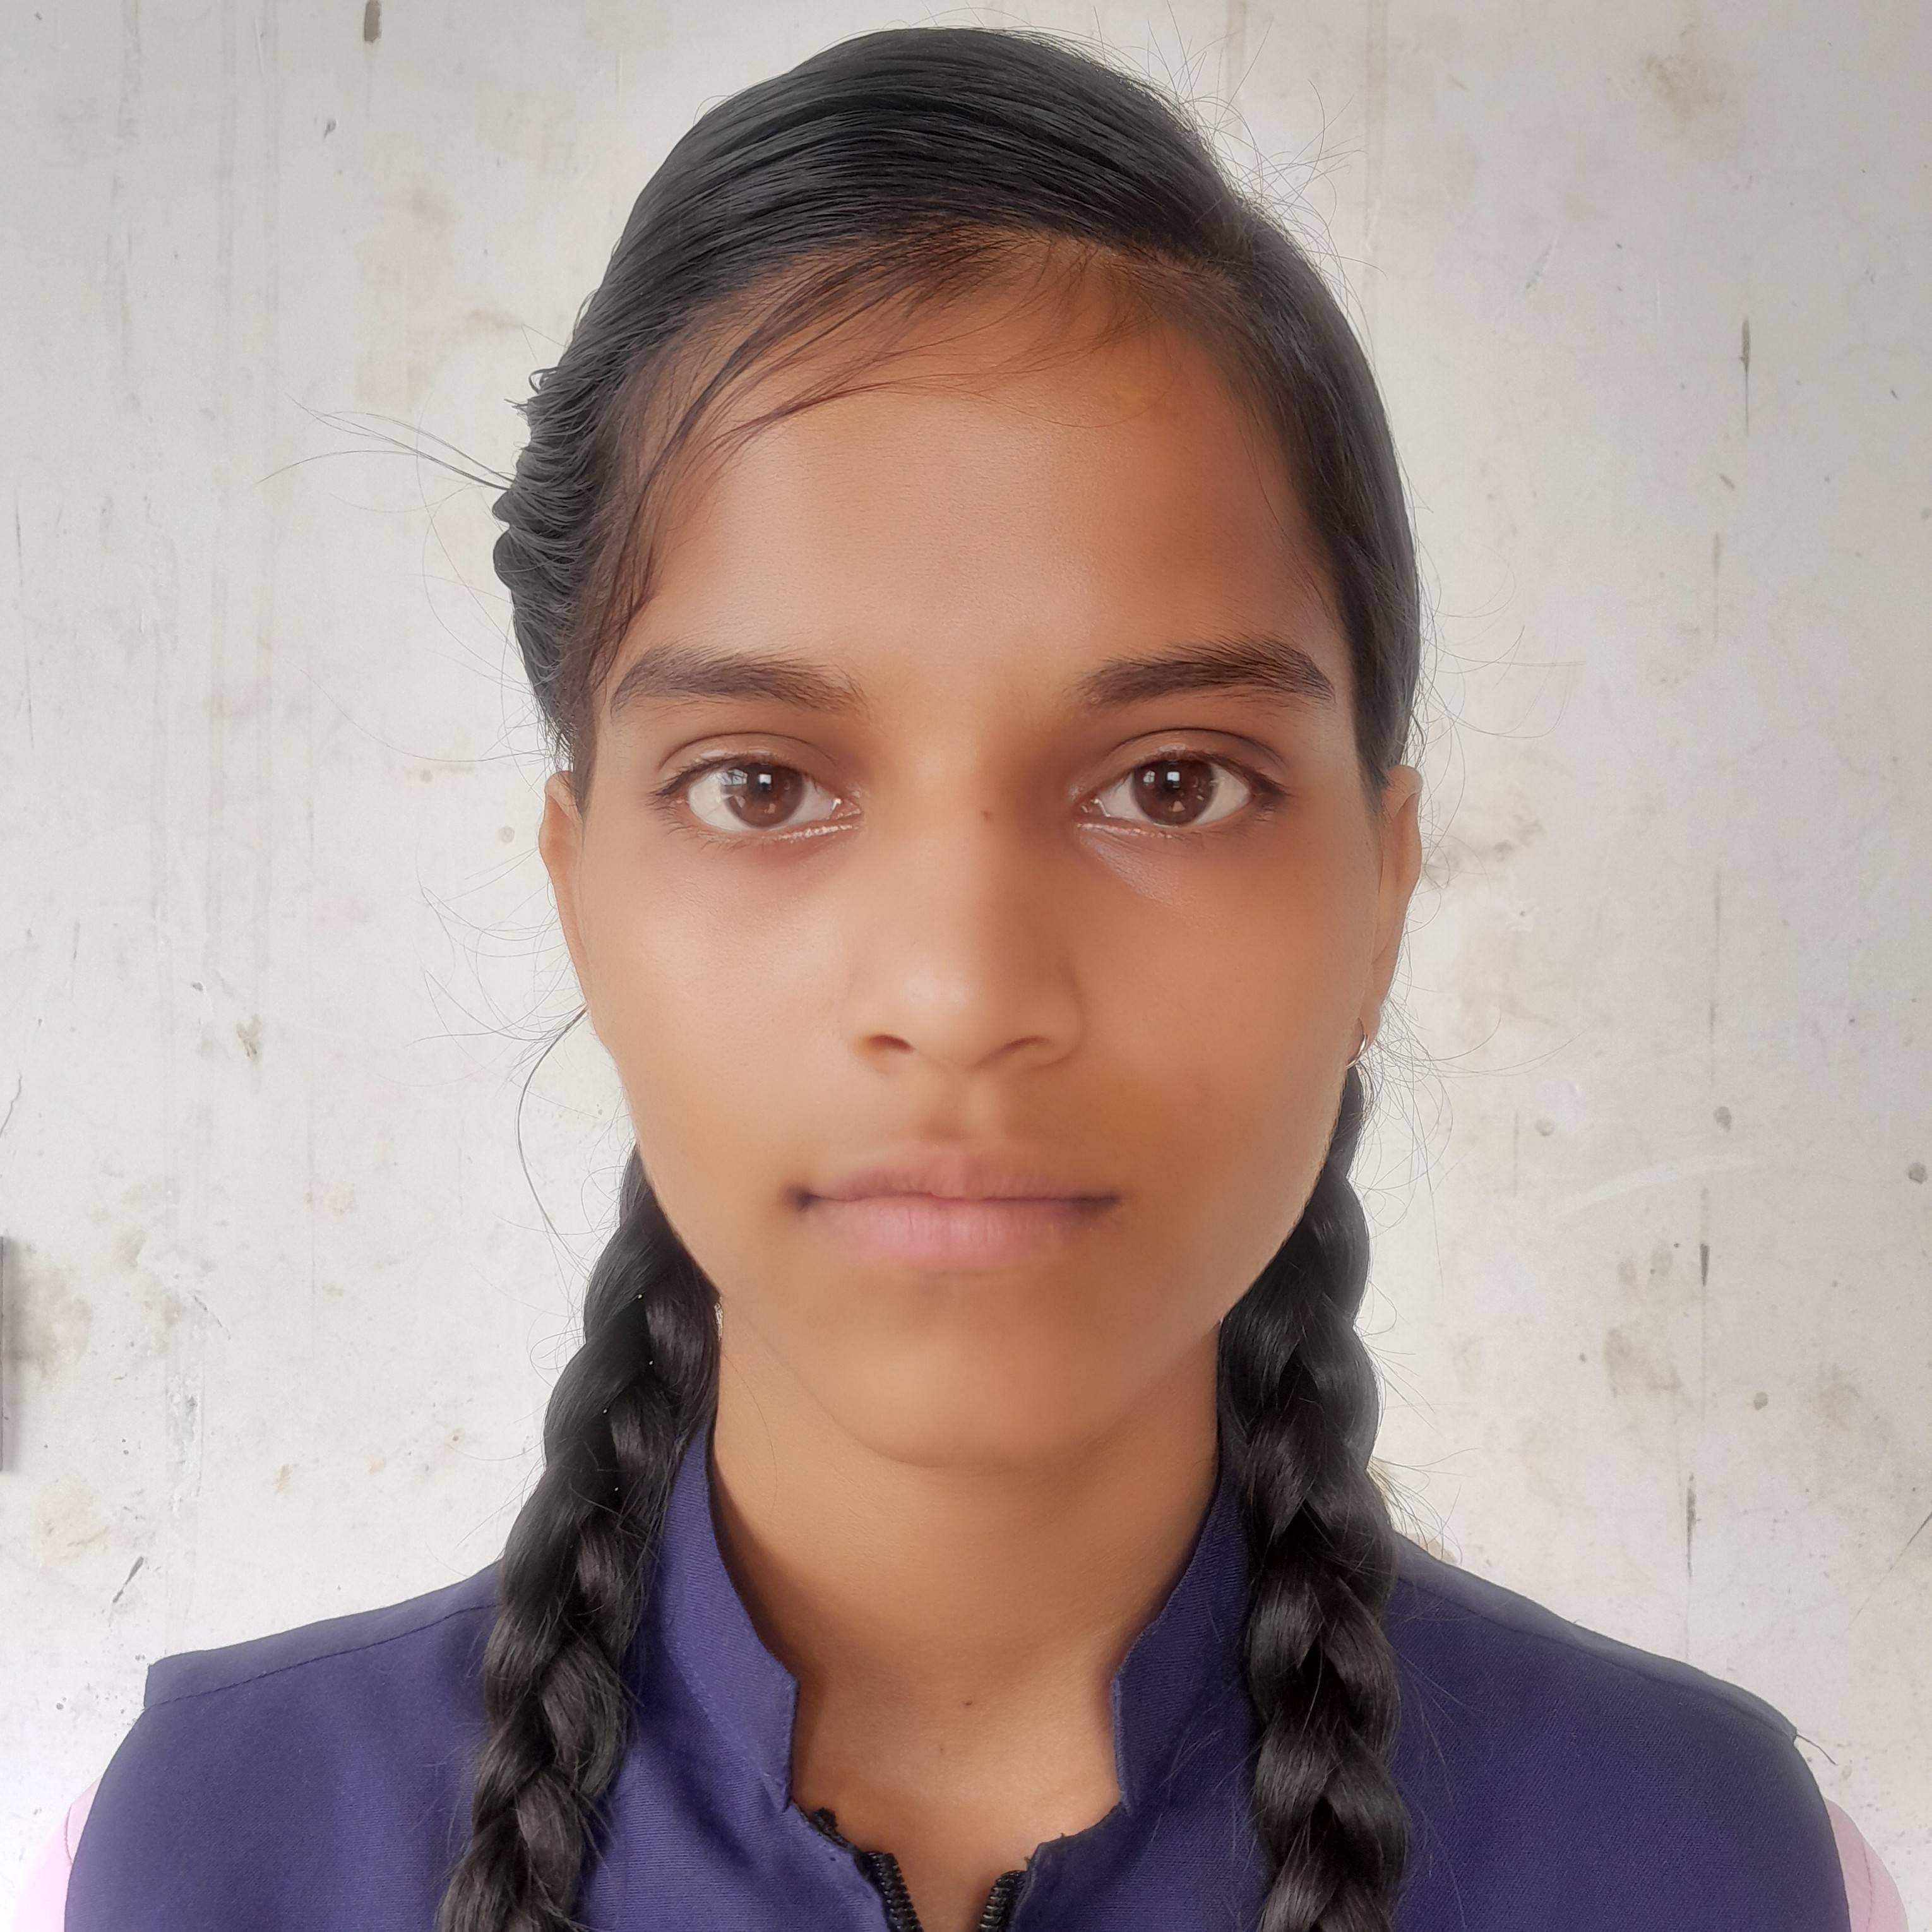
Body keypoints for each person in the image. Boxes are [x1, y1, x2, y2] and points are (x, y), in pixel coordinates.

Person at [16, 24, 1907, 1932]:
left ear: (1381, 890)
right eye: (762, 786)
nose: (959, 988)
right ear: (580, 897)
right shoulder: (196, 1858)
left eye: (1172, 783)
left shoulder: (1721, 1868)